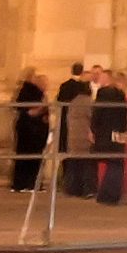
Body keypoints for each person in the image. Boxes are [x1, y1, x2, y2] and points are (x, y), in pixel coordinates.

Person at [90, 67, 127, 206]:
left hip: (105, 131)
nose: (99, 79)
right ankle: (112, 195)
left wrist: (92, 129)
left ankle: (105, 194)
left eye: (101, 77)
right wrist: (125, 131)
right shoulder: (120, 94)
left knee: (108, 161)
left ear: (107, 79)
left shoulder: (103, 93)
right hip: (119, 131)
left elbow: (98, 112)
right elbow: (124, 114)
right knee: (117, 162)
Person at [55, 62, 93, 196]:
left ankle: (66, 184)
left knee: (68, 155)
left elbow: (59, 103)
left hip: (67, 124)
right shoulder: (82, 92)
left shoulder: (65, 86)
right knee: (80, 159)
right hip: (81, 129)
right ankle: (79, 187)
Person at [9, 72, 49, 193]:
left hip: (35, 129)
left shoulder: (36, 93)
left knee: (31, 157)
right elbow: (30, 112)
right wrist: (42, 107)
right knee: (28, 157)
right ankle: (26, 183)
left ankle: (28, 183)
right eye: (45, 83)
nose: (46, 85)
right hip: (31, 130)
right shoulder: (31, 93)